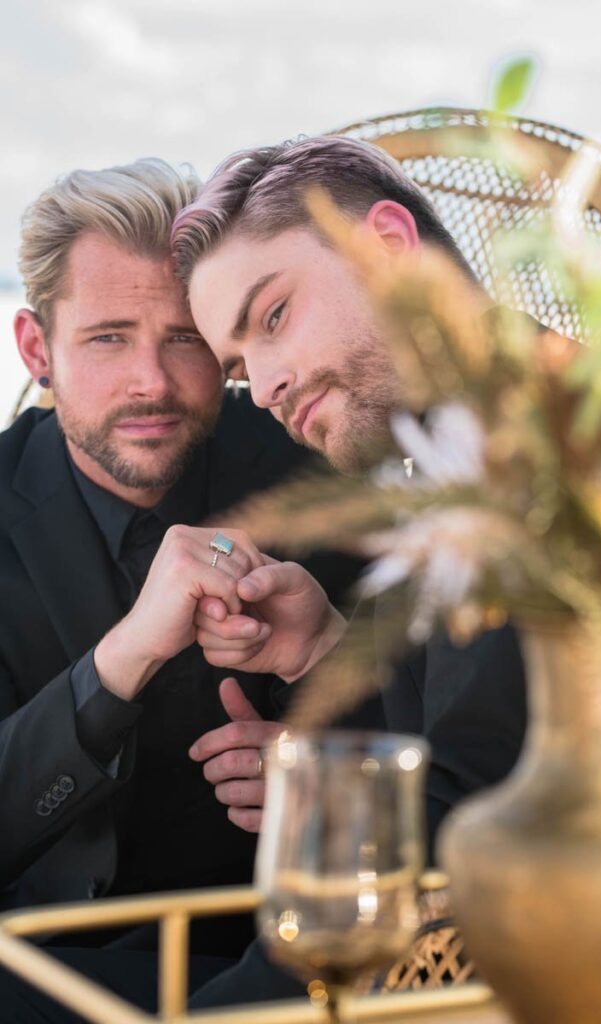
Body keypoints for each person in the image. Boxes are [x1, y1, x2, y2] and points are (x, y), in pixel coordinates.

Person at [0, 156, 358, 1020]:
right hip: (32, 972)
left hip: (288, 965)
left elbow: (452, 725)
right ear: (37, 348)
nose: (153, 383)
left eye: (185, 339)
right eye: (109, 337)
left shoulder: (323, 467)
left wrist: (324, 784)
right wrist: (121, 658)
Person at [173, 136, 528, 844]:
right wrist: (321, 656)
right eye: (240, 370)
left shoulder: (512, 454)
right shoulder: (443, 453)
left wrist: (316, 796)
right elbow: (464, 740)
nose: (265, 387)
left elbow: (464, 821)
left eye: (273, 316)